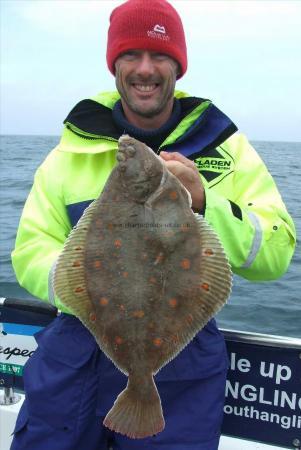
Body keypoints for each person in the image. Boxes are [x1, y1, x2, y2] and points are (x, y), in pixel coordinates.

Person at [10, 0, 296, 449]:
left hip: (178, 365)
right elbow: (30, 248)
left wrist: (205, 201)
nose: (146, 69)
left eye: (160, 55)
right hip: (74, 349)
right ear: (114, 65)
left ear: (179, 66)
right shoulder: (67, 155)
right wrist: (85, 286)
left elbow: (277, 253)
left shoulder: (228, 149)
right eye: (131, 55)